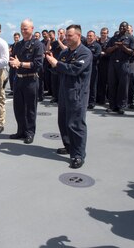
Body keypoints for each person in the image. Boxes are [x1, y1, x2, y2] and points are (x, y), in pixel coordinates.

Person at [46, 24, 92, 169]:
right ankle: (69, 146)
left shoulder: (85, 53)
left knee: (76, 124)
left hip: (77, 94)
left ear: (78, 36)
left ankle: (78, 155)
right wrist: (50, 62)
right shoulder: (64, 53)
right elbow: (58, 71)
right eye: (66, 35)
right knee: (64, 122)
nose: (66, 38)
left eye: (69, 35)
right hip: (64, 92)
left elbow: (74, 70)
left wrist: (57, 64)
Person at [9, 19, 43, 144]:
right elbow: (15, 59)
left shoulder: (38, 45)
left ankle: (29, 133)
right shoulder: (18, 45)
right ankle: (21, 131)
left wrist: (21, 63)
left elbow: (38, 64)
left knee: (30, 109)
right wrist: (13, 63)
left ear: (32, 29)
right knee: (18, 107)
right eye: (22, 28)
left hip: (31, 80)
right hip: (19, 79)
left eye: (26, 28)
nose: (23, 31)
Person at [106, 21, 134, 114]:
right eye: (120, 26)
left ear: (127, 28)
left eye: (124, 27)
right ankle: (112, 105)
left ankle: (121, 106)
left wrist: (123, 47)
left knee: (123, 86)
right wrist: (115, 46)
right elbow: (107, 50)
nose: (122, 28)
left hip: (124, 63)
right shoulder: (114, 38)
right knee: (112, 84)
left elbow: (132, 52)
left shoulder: (131, 38)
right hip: (113, 63)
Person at [85, 30, 101, 109]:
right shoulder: (83, 45)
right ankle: (85, 100)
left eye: (90, 36)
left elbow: (96, 56)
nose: (89, 37)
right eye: (88, 35)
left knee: (92, 85)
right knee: (84, 85)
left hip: (93, 67)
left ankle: (91, 102)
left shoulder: (97, 46)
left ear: (94, 37)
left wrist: (86, 57)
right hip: (84, 68)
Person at [96, 27, 110, 105]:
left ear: (107, 33)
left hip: (106, 63)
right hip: (98, 63)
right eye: (102, 33)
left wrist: (104, 53)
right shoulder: (97, 41)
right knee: (99, 82)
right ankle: (99, 98)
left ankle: (105, 98)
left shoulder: (109, 41)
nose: (103, 34)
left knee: (106, 83)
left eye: (104, 33)